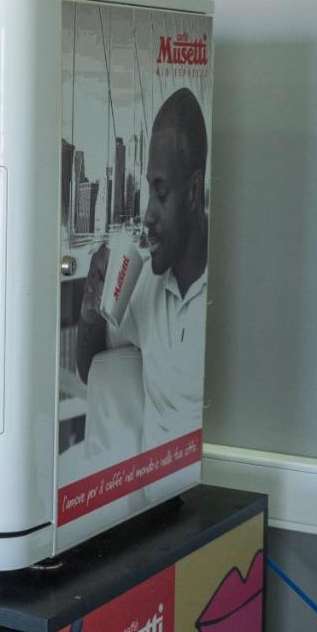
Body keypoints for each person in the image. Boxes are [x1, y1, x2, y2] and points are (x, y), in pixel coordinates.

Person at [76, 87, 209, 453]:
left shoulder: (221, 297)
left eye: (161, 193)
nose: (148, 215)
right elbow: (90, 368)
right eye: (149, 190)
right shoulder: (149, 282)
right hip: (149, 482)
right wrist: (90, 312)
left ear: (193, 191)